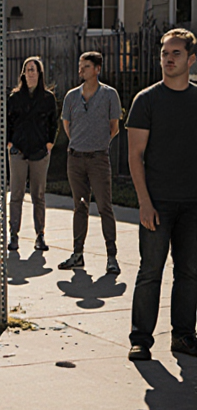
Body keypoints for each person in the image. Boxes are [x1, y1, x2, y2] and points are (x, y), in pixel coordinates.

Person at [126, 28, 197, 361]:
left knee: (189, 272)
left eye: (176, 54)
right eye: (165, 54)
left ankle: (183, 336)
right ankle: (141, 339)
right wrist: (144, 202)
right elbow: (134, 156)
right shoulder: (147, 100)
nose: (168, 59)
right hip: (157, 204)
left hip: (193, 205)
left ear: (191, 59)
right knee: (150, 271)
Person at [59, 51, 122, 273]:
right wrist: (80, 142)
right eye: (80, 66)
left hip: (98, 158)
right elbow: (67, 125)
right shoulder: (71, 96)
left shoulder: (109, 95)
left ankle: (111, 257)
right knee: (80, 206)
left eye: (86, 66)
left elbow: (114, 127)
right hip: (75, 158)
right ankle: (78, 254)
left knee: (105, 207)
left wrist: (98, 142)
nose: (81, 70)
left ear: (97, 69)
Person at [6, 57, 57, 253]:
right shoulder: (15, 97)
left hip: (39, 151)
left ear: (40, 73)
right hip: (18, 150)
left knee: (38, 195)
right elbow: (8, 121)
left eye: (34, 69)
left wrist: (49, 143)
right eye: (27, 69)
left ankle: (40, 234)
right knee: (16, 194)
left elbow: (54, 122)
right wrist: (10, 142)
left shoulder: (47, 98)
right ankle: (14, 234)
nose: (30, 73)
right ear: (23, 73)